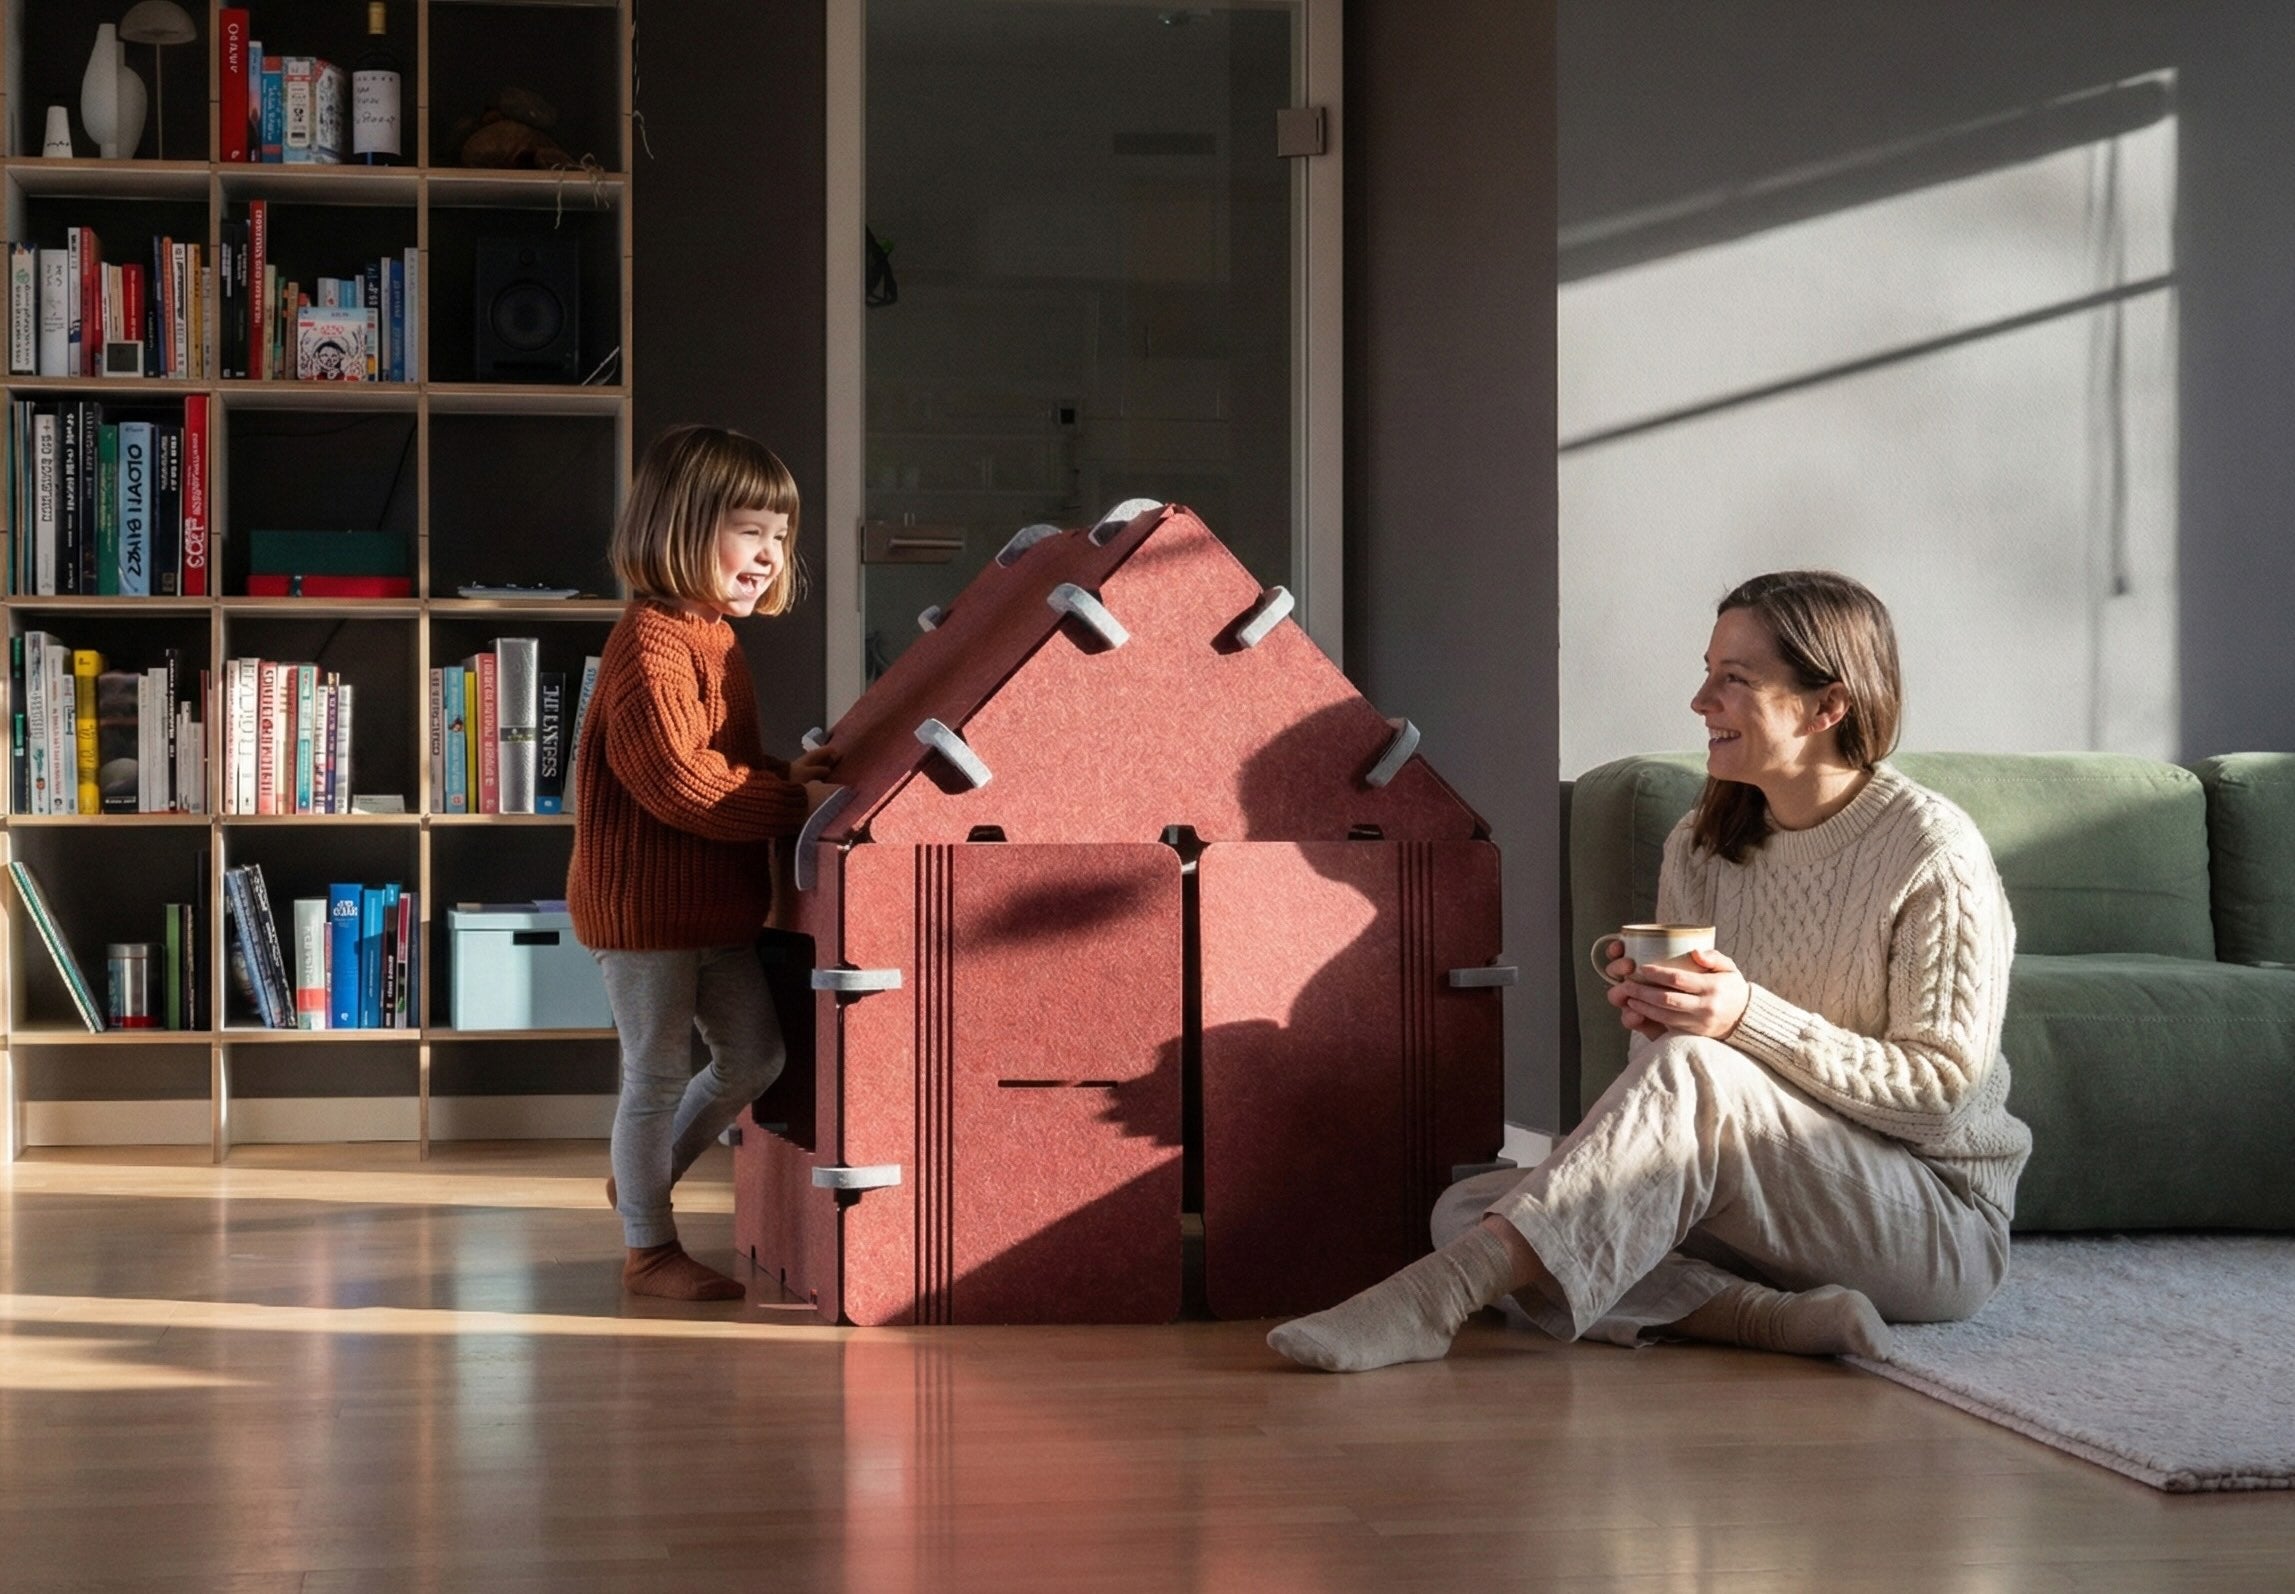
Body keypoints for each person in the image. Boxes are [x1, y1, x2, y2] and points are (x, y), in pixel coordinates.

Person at [1269, 569, 2032, 1372]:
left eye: (1731, 680)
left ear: (1826, 706)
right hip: (1758, 1205)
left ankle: (1434, 1300)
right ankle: (1766, 1320)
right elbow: (1668, 1086)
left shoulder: (1932, 853)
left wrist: (1740, 1018)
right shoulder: (1703, 846)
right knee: (1468, 1207)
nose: (1700, 702)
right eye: (1705, 674)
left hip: (1928, 1220)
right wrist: (1661, 1022)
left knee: (1663, 1096)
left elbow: (1940, 1093)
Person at [568, 423, 838, 1301]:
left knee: (753, 1058)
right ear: (682, 528)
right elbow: (684, 784)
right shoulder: (652, 642)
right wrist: (789, 802)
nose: (768, 554)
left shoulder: (713, 636)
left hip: (714, 904)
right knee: (652, 1073)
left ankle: (639, 1182)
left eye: (779, 536)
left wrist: (779, 778)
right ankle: (648, 1247)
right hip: (645, 907)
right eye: (749, 531)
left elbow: (717, 758)